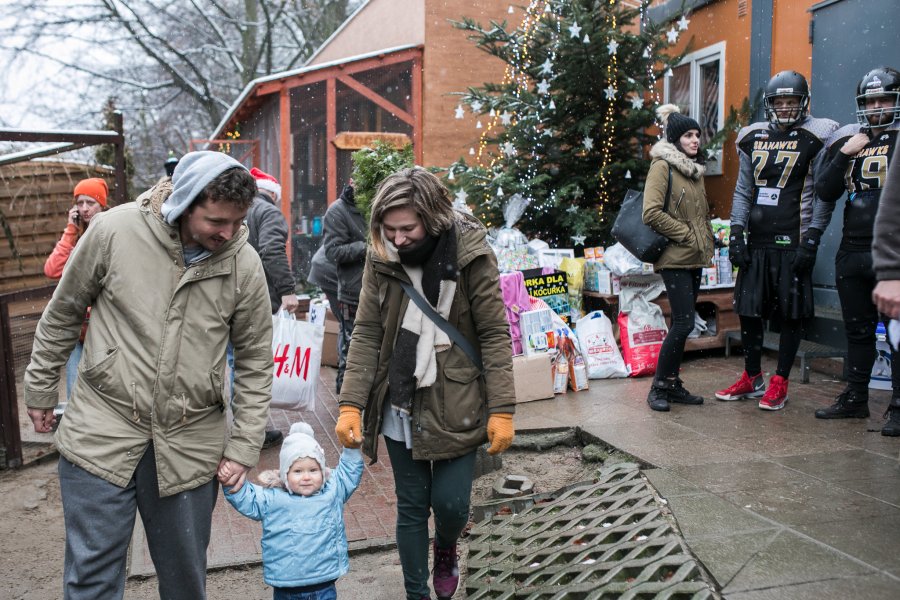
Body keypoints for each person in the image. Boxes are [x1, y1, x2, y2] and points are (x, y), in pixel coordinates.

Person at [24, 150, 274, 600]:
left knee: (184, 581)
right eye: (217, 221)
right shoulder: (112, 231)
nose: (229, 233)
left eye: (238, 222)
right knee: (91, 579)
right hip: (101, 428)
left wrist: (243, 446)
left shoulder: (244, 264)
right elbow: (62, 314)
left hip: (190, 440)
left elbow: (256, 362)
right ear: (184, 203)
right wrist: (41, 387)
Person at [334, 167, 515, 600]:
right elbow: (367, 332)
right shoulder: (381, 257)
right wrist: (350, 403)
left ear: (432, 219)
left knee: (451, 505)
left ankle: (448, 545)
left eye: (407, 229)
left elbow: (492, 332)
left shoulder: (470, 254)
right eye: (388, 228)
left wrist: (503, 409)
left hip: (457, 396)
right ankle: (416, 591)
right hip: (400, 396)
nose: (396, 239)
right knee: (412, 505)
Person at [715, 70, 838, 410]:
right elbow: (744, 190)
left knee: (791, 313)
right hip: (758, 239)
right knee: (749, 311)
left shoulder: (818, 134)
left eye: (791, 102)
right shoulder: (753, 136)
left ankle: (781, 381)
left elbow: (823, 195)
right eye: (779, 102)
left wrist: (812, 238)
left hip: (793, 238)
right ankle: (753, 377)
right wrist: (736, 231)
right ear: (770, 104)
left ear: (804, 103)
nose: (785, 108)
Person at [811, 67, 899, 435]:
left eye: (884, 99)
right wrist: (845, 152)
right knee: (858, 330)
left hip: (890, 251)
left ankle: (898, 405)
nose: (877, 107)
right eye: (871, 100)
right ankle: (856, 397)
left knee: (896, 333)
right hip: (852, 248)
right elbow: (825, 191)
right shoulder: (851, 140)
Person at [223, 422, 363, 599]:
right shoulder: (272, 498)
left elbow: (349, 472)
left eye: (313, 470)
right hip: (286, 588)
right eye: (297, 471)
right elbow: (245, 497)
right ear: (284, 474)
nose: (306, 477)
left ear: (323, 471)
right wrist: (229, 478)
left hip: (324, 583)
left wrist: (351, 449)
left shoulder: (333, 490)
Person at [642, 105, 715, 412]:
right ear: (675, 139)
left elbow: (701, 215)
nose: (695, 140)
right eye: (688, 135)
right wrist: (685, 235)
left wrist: (709, 240)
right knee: (683, 323)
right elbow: (651, 212)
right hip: (674, 258)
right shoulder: (662, 166)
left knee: (684, 324)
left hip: (695, 257)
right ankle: (659, 386)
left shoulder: (695, 171)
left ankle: (672, 383)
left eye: (697, 134)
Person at [239, 167, 300, 448]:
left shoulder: (239, 209)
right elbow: (272, 250)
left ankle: (243, 426)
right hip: (256, 299)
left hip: (231, 296)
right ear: (273, 194)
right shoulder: (269, 213)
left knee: (235, 363)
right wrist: (287, 291)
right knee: (254, 364)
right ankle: (254, 431)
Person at [43, 177, 109, 411]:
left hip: (104, 328)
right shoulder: (76, 236)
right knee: (74, 391)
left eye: (90, 202)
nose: (84, 208)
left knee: (106, 389)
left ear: (101, 203)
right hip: (78, 327)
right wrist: (70, 230)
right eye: (79, 203)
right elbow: (52, 269)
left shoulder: (109, 232)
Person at [322, 182, 366, 393]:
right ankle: (346, 398)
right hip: (353, 291)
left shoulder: (375, 205)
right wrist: (366, 247)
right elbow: (332, 251)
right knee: (352, 346)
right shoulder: (338, 210)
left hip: (378, 289)